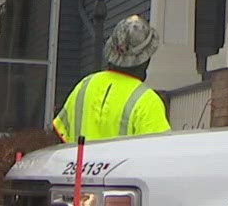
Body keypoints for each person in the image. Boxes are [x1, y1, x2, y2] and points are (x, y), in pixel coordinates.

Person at [52, 15, 170, 143]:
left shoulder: (84, 86)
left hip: (79, 163)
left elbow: (58, 138)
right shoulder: (147, 101)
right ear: (146, 59)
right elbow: (160, 154)